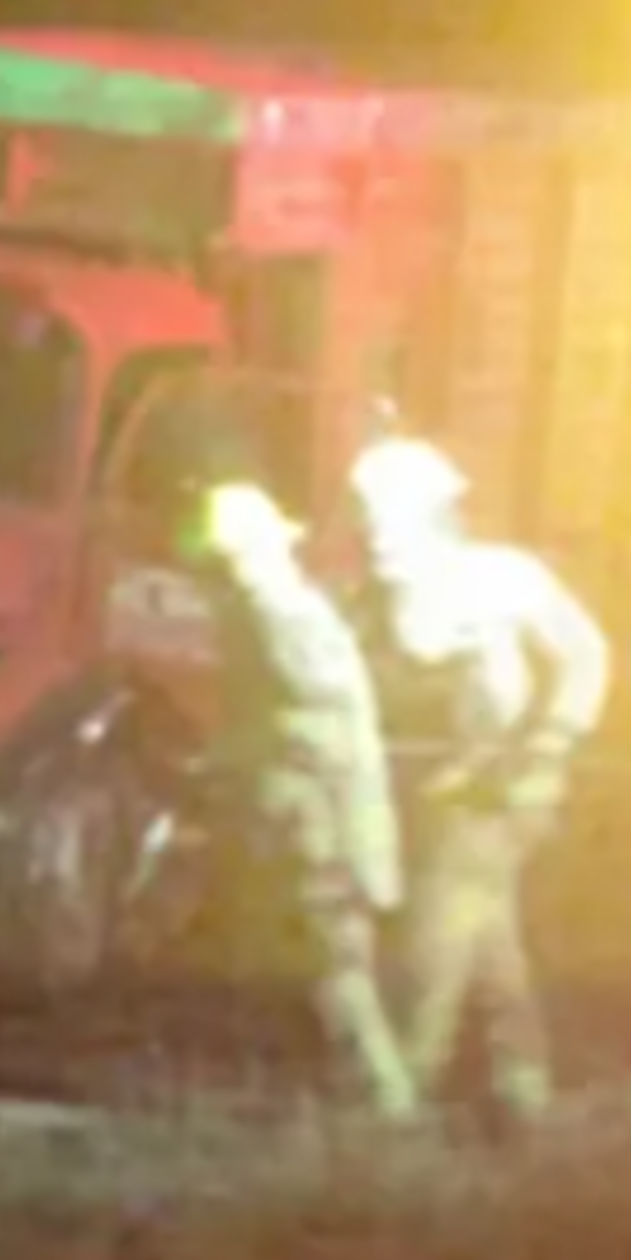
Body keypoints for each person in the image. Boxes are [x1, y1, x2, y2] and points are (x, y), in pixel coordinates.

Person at [344, 426, 612, 1134]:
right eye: (367, 519)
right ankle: (522, 1094)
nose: (375, 535)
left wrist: (552, 742)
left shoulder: (502, 578)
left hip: (497, 794)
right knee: (489, 937)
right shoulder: (377, 602)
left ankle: (401, 1095)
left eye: (386, 519)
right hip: (442, 797)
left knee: (439, 936)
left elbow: (586, 652)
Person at [185, 479, 419, 1121]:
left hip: (318, 823)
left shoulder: (278, 615)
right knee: (305, 966)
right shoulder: (273, 612)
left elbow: (320, 717)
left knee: (335, 968)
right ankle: (333, 1102)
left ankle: (383, 1102)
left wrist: (248, 765)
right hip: (303, 820)